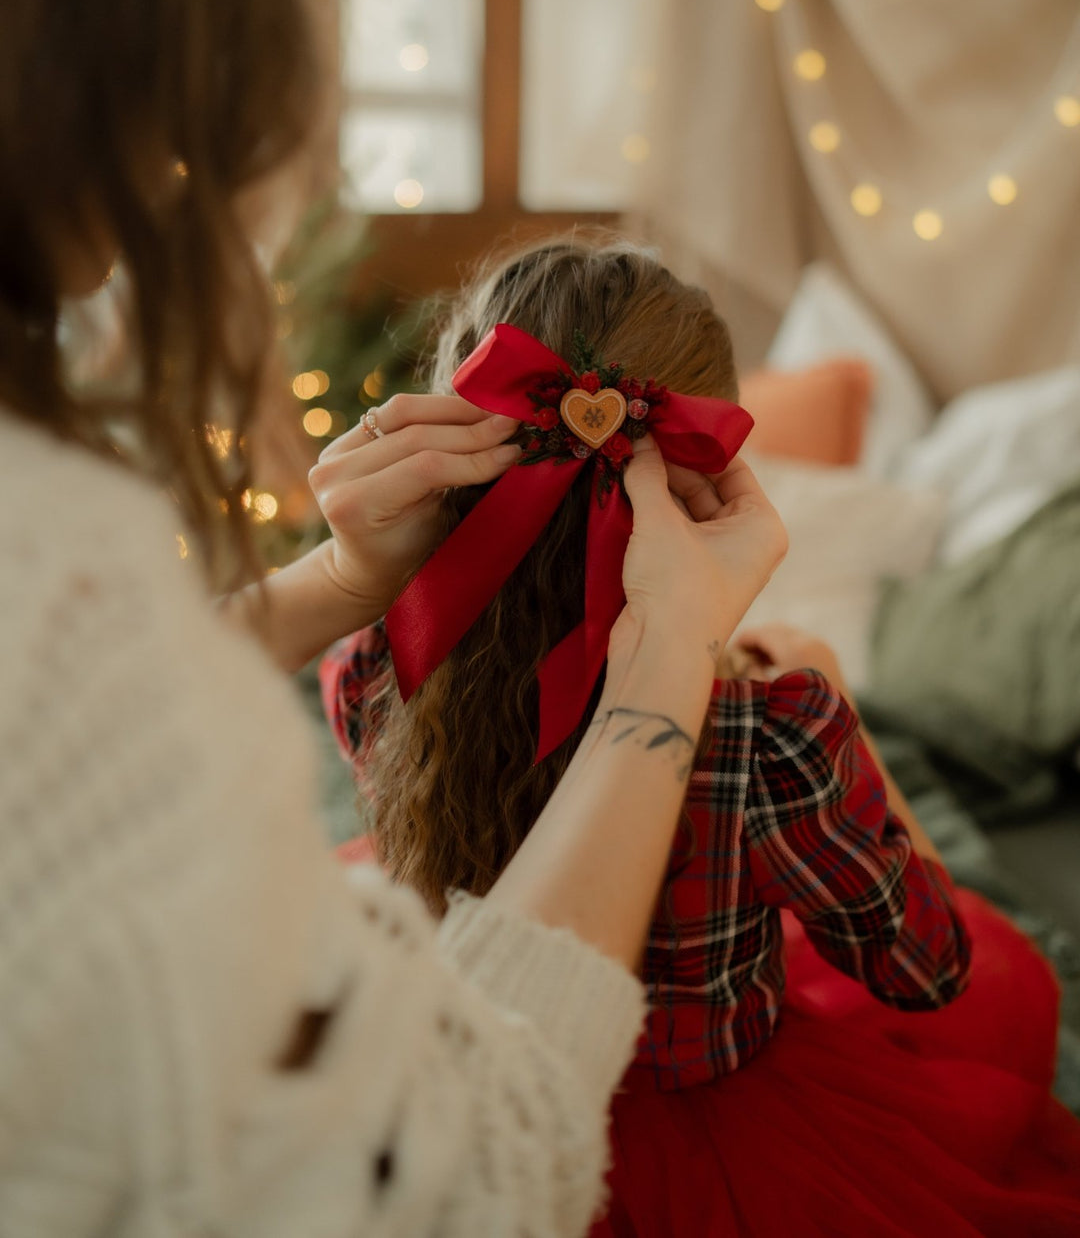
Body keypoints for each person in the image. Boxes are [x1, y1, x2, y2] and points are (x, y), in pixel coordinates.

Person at [0, 0, 789, 1232]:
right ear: (70, 4)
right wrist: (663, 675)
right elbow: (458, 1183)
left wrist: (332, 591)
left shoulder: (358, 678)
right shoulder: (787, 724)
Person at [322, 237, 1080, 1237]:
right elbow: (927, 966)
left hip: (455, 1085)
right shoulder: (770, 733)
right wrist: (837, 708)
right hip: (724, 1147)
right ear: (707, 458)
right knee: (1004, 977)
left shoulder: (380, 656)